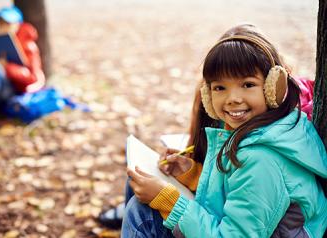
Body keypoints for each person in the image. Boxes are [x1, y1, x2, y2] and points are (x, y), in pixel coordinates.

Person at [121, 24, 327, 237]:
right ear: (209, 96)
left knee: (142, 212)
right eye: (220, 88)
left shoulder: (262, 159)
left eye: (247, 84)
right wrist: (192, 175)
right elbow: (238, 191)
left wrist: (170, 203)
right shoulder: (266, 130)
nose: (233, 98)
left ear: (273, 88)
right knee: (138, 180)